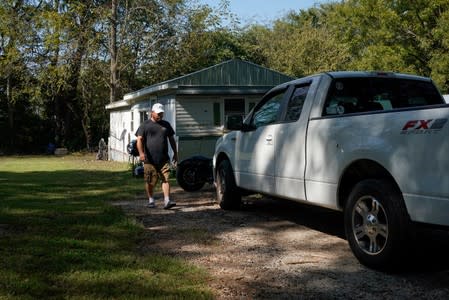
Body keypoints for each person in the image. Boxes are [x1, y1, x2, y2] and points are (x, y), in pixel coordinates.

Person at [136, 103, 178, 209]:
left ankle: (167, 200)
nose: (160, 115)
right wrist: (141, 153)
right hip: (149, 159)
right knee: (150, 181)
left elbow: (171, 139)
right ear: (152, 112)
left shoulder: (166, 125)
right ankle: (151, 200)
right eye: (158, 113)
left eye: (162, 113)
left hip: (163, 158)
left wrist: (175, 153)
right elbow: (139, 140)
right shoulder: (145, 125)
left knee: (166, 179)